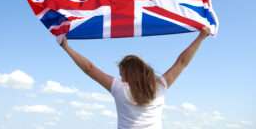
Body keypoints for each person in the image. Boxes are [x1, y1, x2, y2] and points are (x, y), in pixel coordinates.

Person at [60, 27, 211, 129]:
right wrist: (201, 37)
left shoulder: (119, 88)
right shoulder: (160, 85)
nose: (120, 77)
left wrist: (66, 47)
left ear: (128, 73)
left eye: (121, 73)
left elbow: (89, 69)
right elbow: (182, 62)